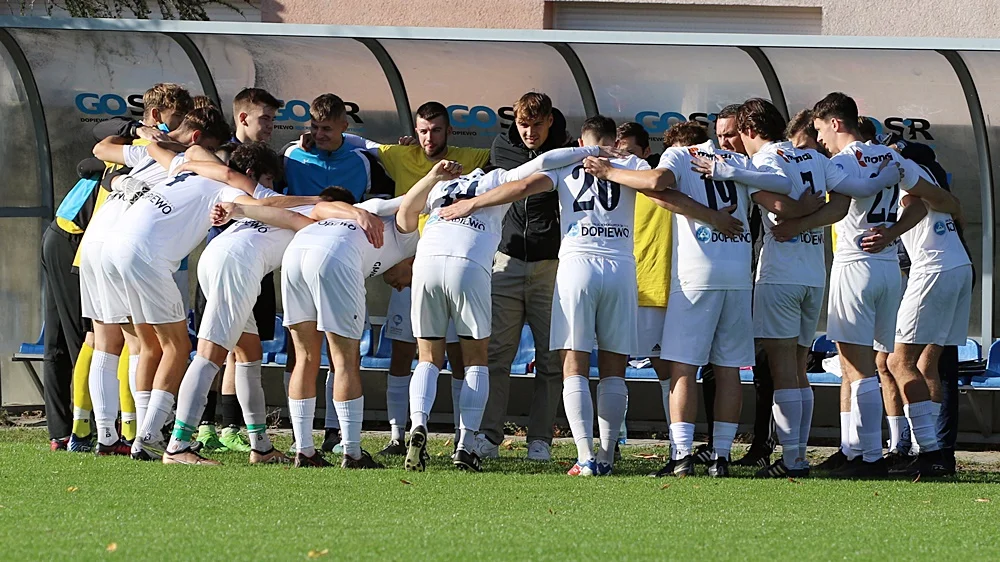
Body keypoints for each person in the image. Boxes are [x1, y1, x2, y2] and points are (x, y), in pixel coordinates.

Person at [778, 92, 961, 477]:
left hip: (856, 265)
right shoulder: (891, 157)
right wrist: (893, 232)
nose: (820, 139)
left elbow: (840, 207)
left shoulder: (839, 163)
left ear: (836, 123)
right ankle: (919, 450)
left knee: (859, 368)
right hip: (887, 271)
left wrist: (796, 224)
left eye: (819, 130)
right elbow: (925, 201)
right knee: (877, 364)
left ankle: (869, 457)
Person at [595, 121, 793, 477]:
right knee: (729, 368)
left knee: (684, 366)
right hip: (737, 274)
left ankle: (683, 455)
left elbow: (657, 183)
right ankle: (721, 458)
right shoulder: (732, 159)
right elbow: (781, 185)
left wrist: (608, 171)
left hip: (697, 275)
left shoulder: (680, 156)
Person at [405, 142, 616, 472]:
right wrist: (591, 148)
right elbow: (541, 164)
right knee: (477, 359)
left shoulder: (441, 185)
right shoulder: (495, 180)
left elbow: (404, 218)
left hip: (427, 263)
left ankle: (418, 423)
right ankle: (466, 443)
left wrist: (431, 175)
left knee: (428, 357)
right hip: (469, 265)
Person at [734, 98, 901, 477]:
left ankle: (794, 461)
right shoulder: (815, 159)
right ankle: (803, 456)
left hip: (780, 273)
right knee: (798, 368)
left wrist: (796, 216)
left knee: (783, 370)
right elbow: (841, 203)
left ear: (748, 130)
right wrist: (811, 216)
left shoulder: (765, 161)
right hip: (815, 275)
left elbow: (779, 207)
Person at [101, 139, 296, 463]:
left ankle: (259, 446)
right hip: (156, 258)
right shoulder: (226, 185)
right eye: (268, 178)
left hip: (116, 247)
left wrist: (186, 156)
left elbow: (154, 148)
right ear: (251, 173)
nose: (268, 186)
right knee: (183, 349)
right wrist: (324, 202)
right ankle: (162, 441)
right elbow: (270, 203)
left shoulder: (183, 171)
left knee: (242, 350)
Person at [270, 161, 460, 469]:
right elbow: (409, 203)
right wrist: (434, 177)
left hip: (296, 254)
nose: (404, 283)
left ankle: (304, 451)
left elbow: (319, 210)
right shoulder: (405, 236)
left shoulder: (358, 213)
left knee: (304, 356)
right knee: (345, 360)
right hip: (334, 257)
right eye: (411, 274)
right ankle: (353, 452)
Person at [46, 83, 192, 452]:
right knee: (122, 340)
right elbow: (93, 154)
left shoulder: (137, 146)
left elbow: (91, 159)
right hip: (96, 243)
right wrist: (143, 141)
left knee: (103, 341)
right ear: (157, 117)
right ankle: (120, 432)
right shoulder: (149, 147)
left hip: (94, 245)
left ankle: (101, 433)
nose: (178, 131)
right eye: (175, 121)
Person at [341, 101, 491, 456]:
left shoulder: (470, 158)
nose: (428, 137)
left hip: (436, 263)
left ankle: (456, 434)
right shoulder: (399, 154)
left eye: (436, 130)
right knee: (403, 352)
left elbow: (507, 153)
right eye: (423, 130)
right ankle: (398, 436)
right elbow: (357, 142)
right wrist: (298, 144)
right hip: (411, 265)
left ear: (449, 131)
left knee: (452, 355)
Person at [163, 144, 325, 465]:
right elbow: (233, 177)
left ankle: (261, 447)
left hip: (215, 257)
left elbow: (229, 176)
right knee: (210, 355)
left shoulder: (269, 198)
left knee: (249, 353)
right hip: (238, 263)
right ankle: (178, 446)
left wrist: (187, 164)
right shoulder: (320, 218)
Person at [83, 106, 225, 457]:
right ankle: (141, 432)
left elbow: (99, 151)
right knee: (145, 343)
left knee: (116, 342)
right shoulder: (176, 155)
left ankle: (112, 435)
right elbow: (96, 155)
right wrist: (141, 132)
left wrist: (138, 137)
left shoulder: (153, 148)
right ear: (198, 139)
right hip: (129, 242)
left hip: (101, 239)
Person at [280, 93, 394, 454]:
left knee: (340, 351)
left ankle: (333, 431)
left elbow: (381, 202)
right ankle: (305, 437)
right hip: (295, 253)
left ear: (345, 126)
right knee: (303, 352)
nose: (318, 134)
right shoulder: (292, 154)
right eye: (313, 127)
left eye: (326, 128)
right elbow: (278, 195)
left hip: (344, 256)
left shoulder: (364, 160)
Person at [478, 92, 577, 462]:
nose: (529, 132)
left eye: (536, 124)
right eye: (523, 124)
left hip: (552, 265)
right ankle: (489, 436)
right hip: (505, 262)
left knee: (551, 361)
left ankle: (540, 440)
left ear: (551, 120)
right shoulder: (502, 148)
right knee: (496, 355)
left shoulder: (569, 150)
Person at [193, 87, 284, 453]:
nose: (269, 127)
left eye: (273, 120)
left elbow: (272, 204)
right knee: (213, 345)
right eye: (264, 119)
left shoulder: (273, 158)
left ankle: (231, 426)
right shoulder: (218, 161)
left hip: (258, 264)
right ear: (243, 117)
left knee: (246, 348)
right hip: (221, 262)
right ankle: (198, 427)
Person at [717, 103, 776, 468]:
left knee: (764, 364)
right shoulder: (719, 173)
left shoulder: (762, 170)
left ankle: (763, 445)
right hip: (724, 280)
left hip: (758, 278)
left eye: (731, 134)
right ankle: (717, 443)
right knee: (713, 364)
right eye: (720, 135)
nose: (724, 142)